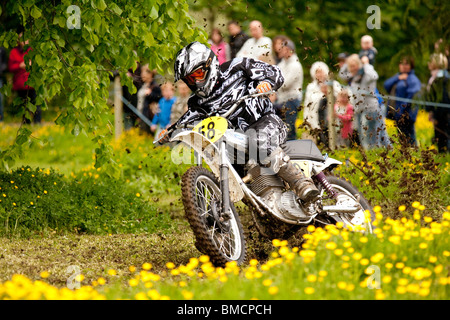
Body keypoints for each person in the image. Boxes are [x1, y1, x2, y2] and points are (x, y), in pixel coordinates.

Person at [166, 41, 320, 203]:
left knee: (259, 141)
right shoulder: (196, 102)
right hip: (233, 138)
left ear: (209, 64)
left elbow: (274, 71)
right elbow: (188, 118)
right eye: (189, 79)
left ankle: (301, 183)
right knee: (230, 172)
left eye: (196, 75)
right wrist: (171, 131)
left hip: (265, 121)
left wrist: (266, 83)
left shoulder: (237, 66)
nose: (195, 82)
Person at [341, 54, 380, 150]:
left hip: (369, 109)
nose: (352, 68)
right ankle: (368, 156)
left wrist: (366, 63)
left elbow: (375, 76)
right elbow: (341, 75)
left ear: (359, 65)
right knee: (361, 135)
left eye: (354, 66)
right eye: (350, 67)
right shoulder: (354, 78)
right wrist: (347, 61)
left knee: (368, 134)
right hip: (358, 110)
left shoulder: (366, 74)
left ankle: (372, 155)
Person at [383, 56, 422, 146]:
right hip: (399, 114)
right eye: (402, 63)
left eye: (406, 64)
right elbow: (386, 85)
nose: (403, 66)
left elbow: (412, 96)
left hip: (407, 114)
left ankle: (413, 155)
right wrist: (398, 78)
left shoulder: (412, 79)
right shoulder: (399, 77)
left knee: (409, 137)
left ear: (411, 66)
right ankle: (406, 156)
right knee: (402, 137)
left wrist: (401, 110)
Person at [303, 61, 341, 144]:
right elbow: (307, 105)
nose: (319, 75)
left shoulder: (334, 85)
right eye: (317, 72)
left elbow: (340, 100)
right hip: (314, 120)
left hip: (330, 120)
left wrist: (328, 93)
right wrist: (306, 121)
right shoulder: (310, 87)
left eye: (321, 72)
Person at [8, 31, 41, 123]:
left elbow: (39, 65)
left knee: (36, 103)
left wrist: (32, 64)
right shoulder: (14, 52)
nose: (24, 42)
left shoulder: (32, 51)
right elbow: (10, 67)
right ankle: (26, 123)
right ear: (18, 41)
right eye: (22, 40)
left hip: (32, 83)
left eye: (25, 39)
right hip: (20, 84)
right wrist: (19, 65)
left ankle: (38, 123)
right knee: (24, 105)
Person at [275, 38, 303, 140]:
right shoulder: (282, 63)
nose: (280, 50)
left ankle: (294, 152)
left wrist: (274, 85)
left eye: (283, 49)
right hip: (282, 100)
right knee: (282, 129)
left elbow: (285, 83)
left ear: (289, 50)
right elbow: (275, 75)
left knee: (289, 128)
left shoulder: (295, 65)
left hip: (292, 100)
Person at [426, 53, 449, 153]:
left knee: (443, 138)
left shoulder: (442, 78)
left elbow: (442, 99)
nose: (428, 64)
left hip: (443, 114)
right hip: (440, 113)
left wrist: (436, 115)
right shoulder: (435, 77)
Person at [137, 64, 161, 133]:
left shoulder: (155, 86)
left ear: (150, 74)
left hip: (149, 115)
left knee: (147, 134)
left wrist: (150, 94)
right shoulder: (143, 85)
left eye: (143, 73)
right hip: (141, 114)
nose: (141, 75)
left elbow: (159, 97)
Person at [0, 46, 7, 122]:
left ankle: (1, 119)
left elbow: (5, 63)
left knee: (0, 99)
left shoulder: (2, 49)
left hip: (0, 77)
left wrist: (1, 70)